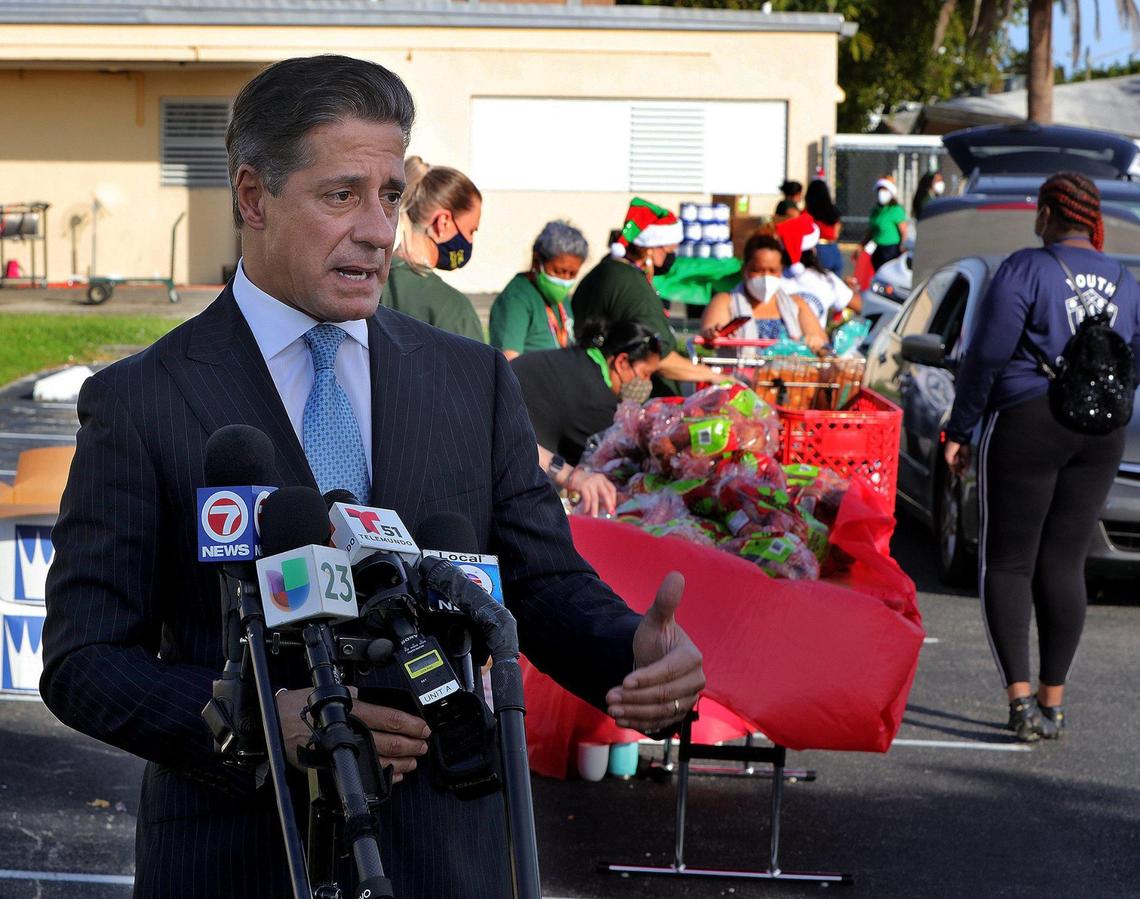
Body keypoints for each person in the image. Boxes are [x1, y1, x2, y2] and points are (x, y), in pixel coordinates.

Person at [39, 55, 705, 899]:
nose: (377, 229)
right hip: (239, 860)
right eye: (340, 194)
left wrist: (632, 651)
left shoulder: (471, 380)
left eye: (390, 196)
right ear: (253, 197)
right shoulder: (142, 400)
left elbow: (539, 582)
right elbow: (83, 659)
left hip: (446, 853)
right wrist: (254, 721)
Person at [944, 172, 1140, 743]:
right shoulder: (1125, 280)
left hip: (1028, 420)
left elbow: (986, 355)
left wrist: (961, 427)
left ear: (1050, 213)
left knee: (1008, 562)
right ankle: (1055, 704)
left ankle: (1021, 701)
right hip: (1101, 432)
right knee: (1065, 561)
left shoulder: (1025, 268)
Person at [571, 198, 721, 391]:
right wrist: (713, 376)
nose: (671, 257)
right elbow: (661, 359)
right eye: (669, 250)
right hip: (627, 394)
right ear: (650, 248)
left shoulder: (605, 271)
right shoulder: (631, 284)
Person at [512, 317, 663, 492]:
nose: (647, 383)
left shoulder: (581, 358)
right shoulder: (594, 398)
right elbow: (613, 459)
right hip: (514, 467)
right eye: (645, 374)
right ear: (621, 362)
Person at [381, 155, 484, 341]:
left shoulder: (365, 285)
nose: (469, 241)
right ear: (443, 223)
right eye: (471, 231)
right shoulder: (454, 310)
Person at [699, 232, 829, 357]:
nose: (766, 277)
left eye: (773, 271)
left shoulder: (797, 304)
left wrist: (816, 342)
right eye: (758, 270)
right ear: (745, 269)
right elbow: (710, 333)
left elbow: (822, 345)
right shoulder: (725, 301)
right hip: (739, 377)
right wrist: (714, 334)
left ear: (781, 270)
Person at [489, 219, 586, 359]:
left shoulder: (560, 300)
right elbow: (509, 362)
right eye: (558, 271)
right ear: (536, 261)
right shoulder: (516, 299)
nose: (564, 280)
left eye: (572, 274)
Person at [777, 215, 859, 323]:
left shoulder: (774, 279)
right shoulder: (826, 279)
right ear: (812, 250)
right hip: (818, 339)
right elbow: (860, 307)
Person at [864, 176, 908, 271]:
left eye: (884, 190)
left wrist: (903, 248)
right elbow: (871, 230)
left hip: (891, 249)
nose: (881, 193)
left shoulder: (895, 210)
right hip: (878, 248)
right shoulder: (876, 210)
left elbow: (904, 232)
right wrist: (862, 245)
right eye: (880, 190)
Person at [804, 178, 845, 278]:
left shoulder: (808, 213)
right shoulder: (833, 212)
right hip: (834, 248)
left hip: (817, 249)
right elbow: (836, 233)